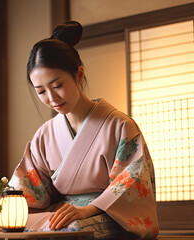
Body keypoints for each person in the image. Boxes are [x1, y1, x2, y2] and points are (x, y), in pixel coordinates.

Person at [8, 21, 159, 239]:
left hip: (107, 214)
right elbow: (31, 187)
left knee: (72, 231)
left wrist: (86, 210)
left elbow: (130, 183)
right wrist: (2, 199)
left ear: (79, 75)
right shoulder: (45, 134)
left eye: (57, 86)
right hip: (62, 213)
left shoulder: (120, 125)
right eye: (41, 91)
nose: (51, 99)